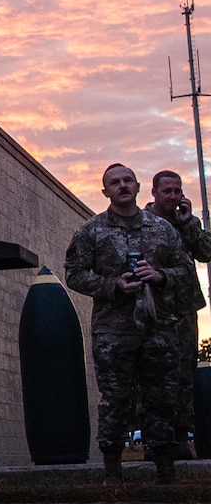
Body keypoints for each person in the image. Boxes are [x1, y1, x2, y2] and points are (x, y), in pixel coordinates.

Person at [65, 164, 191, 482]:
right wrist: (113, 285)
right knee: (115, 398)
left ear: (137, 187)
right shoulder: (90, 231)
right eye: (114, 182)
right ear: (105, 191)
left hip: (158, 326)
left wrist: (160, 276)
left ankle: (164, 467)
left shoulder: (162, 229)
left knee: (162, 396)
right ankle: (112, 468)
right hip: (113, 329)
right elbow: (74, 274)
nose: (122, 186)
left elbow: (185, 270)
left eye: (127, 181)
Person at [146, 170, 209, 458]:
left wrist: (188, 226)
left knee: (184, 375)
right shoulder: (142, 222)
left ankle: (181, 438)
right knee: (154, 374)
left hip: (183, 310)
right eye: (167, 191)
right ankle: (156, 440)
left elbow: (206, 253)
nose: (173, 196)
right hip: (153, 308)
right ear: (154, 192)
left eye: (177, 191)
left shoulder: (188, 222)